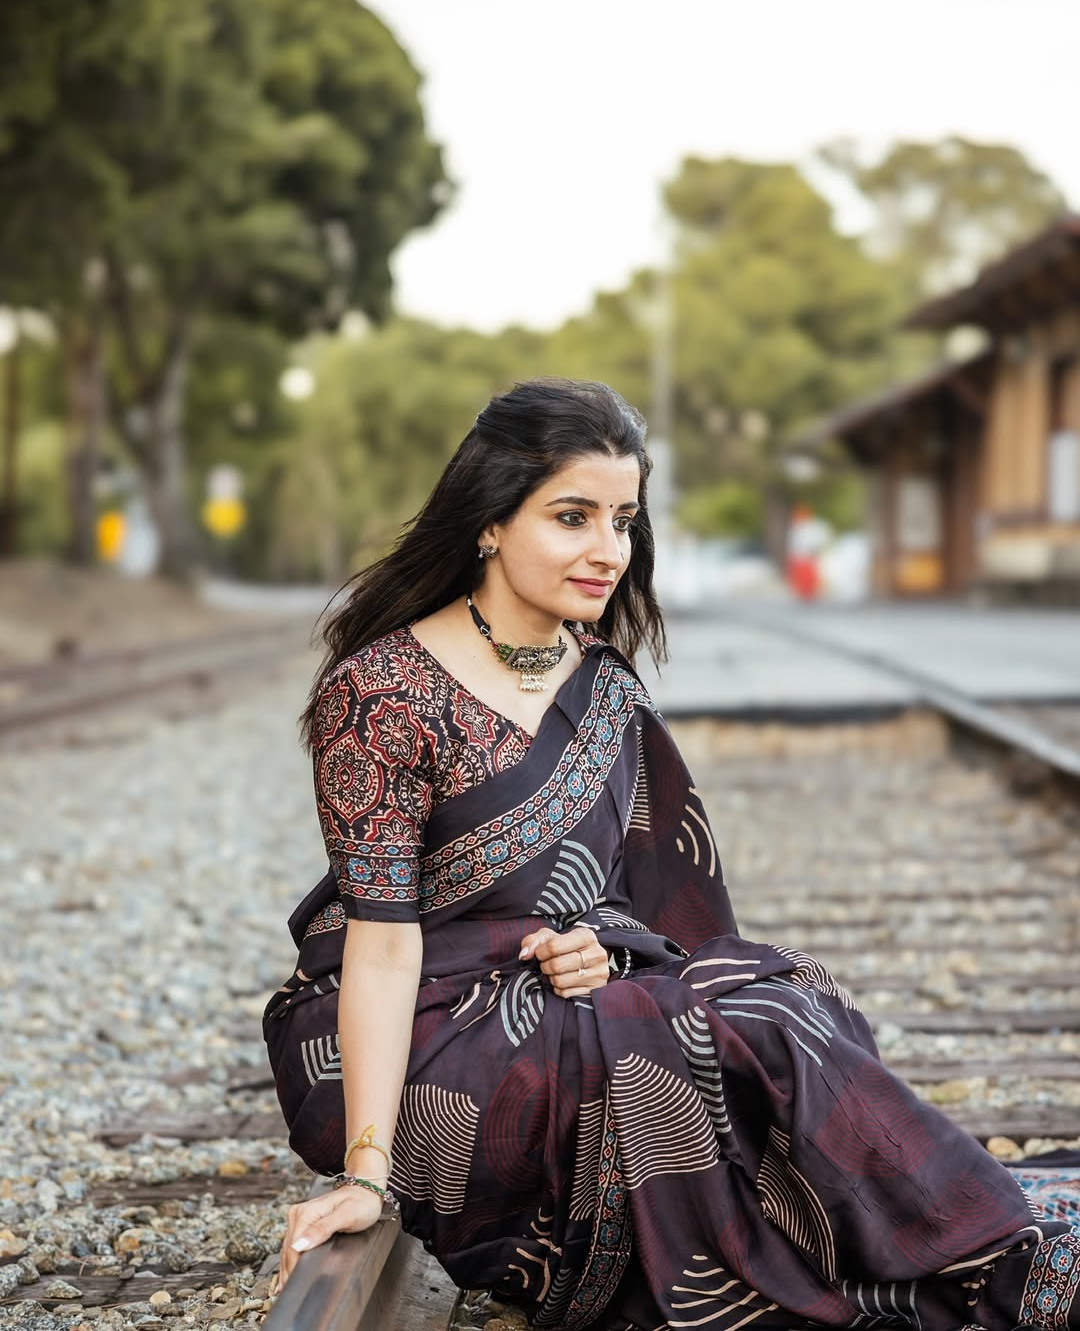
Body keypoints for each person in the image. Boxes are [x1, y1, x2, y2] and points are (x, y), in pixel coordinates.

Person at [264, 378, 1079, 1330]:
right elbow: (384, 940)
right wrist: (368, 1172)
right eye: (573, 518)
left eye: (623, 520)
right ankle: (973, 1259)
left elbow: (627, 902)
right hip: (422, 1036)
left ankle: (960, 1245)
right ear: (489, 521)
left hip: (567, 998)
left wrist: (600, 945)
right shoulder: (384, 692)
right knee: (699, 1046)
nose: (608, 550)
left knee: (784, 1003)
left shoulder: (600, 685)